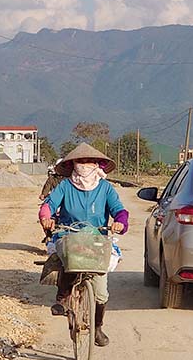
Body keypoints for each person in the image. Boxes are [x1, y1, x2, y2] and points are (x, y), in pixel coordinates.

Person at [39, 143, 128, 346]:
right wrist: (46, 217)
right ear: (73, 165)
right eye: (80, 161)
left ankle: (97, 327)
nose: (85, 165)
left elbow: (119, 210)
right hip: (69, 234)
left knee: (101, 292)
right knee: (66, 262)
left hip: (97, 238)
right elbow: (49, 205)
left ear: (97, 164)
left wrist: (120, 223)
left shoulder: (105, 188)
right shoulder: (65, 186)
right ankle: (61, 298)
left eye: (89, 161)